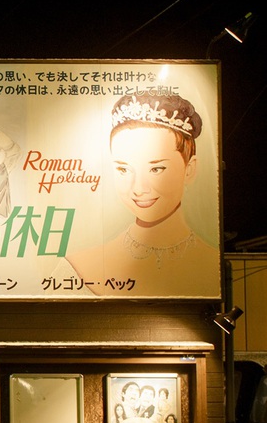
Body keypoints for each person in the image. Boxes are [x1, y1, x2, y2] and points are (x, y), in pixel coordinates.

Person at [65, 90, 218, 296]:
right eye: (123, 169)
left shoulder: (214, 267)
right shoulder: (79, 267)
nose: (139, 188)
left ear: (189, 169)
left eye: (156, 169)